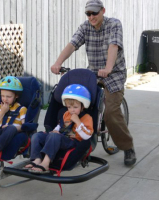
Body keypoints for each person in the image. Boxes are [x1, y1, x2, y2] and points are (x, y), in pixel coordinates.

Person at [51, 0, 136, 166]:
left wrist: (108, 68)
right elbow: (72, 45)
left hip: (114, 74)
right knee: (78, 104)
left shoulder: (114, 24)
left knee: (111, 112)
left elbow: (113, 46)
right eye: (88, 14)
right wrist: (58, 63)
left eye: (94, 13)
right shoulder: (85, 27)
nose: (91, 17)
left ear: (103, 11)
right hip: (93, 74)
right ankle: (76, 141)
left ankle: (128, 147)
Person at [25, 84, 93, 174]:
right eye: (69, 107)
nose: (72, 110)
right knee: (37, 136)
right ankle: (36, 159)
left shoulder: (86, 117)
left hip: (73, 142)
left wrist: (78, 122)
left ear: (83, 106)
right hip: (60, 137)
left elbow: (87, 136)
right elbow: (60, 125)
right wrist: (55, 130)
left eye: (75, 107)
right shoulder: (66, 114)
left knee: (55, 136)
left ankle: (46, 163)